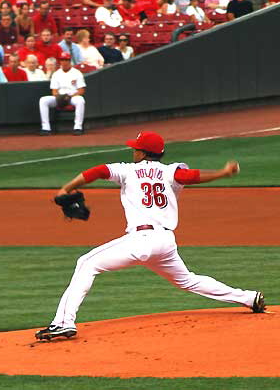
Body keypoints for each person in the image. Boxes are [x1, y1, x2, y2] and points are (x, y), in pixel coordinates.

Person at [34, 131, 266, 341]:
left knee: (86, 263)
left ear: (143, 152)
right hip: (165, 242)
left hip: (141, 240)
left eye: (136, 148)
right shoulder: (170, 171)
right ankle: (249, 298)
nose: (133, 150)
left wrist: (66, 188)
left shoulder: (127, 170)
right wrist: (222, 173)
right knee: (188, 280)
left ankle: (63, 323)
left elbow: (98, 171)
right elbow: (191, 176)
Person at [38, 51, 85, 135]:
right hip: (60, 97)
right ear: (60, 61)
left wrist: (70, 96)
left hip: (72, 97)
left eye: (66, 60)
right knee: (43, 100)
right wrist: (59, 97)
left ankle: (78, 127)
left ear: (69, 61)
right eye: (62, 60)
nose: (64, 62)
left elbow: (81, 90)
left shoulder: (77, 73)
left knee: (80, 100)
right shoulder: (56, 74)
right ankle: (46, 128)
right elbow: (54, 91)